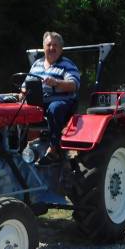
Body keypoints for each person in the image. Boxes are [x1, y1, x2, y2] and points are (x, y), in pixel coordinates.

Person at [24, 31, 80, 162]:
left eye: (55, 45)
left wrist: (56, 83)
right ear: (44, 47)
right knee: (17, 110)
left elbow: (74, 84)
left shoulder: (68, 65)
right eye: (49, 45)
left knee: (55, 108)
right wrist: (23, 91)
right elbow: (25, 84)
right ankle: (20, 148)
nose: (51, 48)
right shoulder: (36, 64)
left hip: (61, 101)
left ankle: (54, 148)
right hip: (38, 102)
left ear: (61, 49)